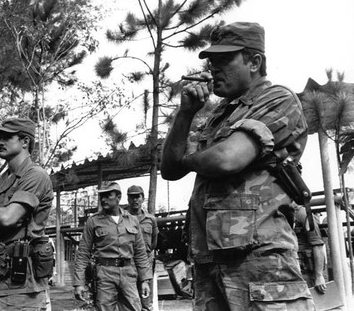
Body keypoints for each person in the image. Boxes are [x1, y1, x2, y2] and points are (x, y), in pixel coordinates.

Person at [160, 21, 315, 310]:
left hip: (261, 262)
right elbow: (169, 169)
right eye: (212, 61)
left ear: (255, 61)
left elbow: (227, 158)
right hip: (210, 262)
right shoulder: (218, 114)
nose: (213, 69)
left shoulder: (278, 98)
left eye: (224, 60)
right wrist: (185, 115)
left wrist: (190, 160)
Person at [0, 117, 54, 311]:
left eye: (7, 137)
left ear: (25, 141)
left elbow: (7, 218)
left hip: (20, 287)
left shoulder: (35, 175)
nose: (0, 142)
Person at [73, 181, 153, 311]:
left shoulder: (132, 220)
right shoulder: (93, 221)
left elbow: (140, 253)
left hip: (129, 273)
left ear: (118, 197)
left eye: (107, 195)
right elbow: (83, 254)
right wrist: (79, 283)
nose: (103, 199)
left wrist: (145, 280)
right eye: (101, 196)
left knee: (134, 308)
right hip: (104, 274)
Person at [126, 185, 158, 311]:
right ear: (128, 199)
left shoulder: (151, 219)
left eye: (137, 197)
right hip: (128, 263)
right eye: (132, 197)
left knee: (146, 300)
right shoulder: (122, 218)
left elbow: (154, 243)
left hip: (146, 264)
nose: (135, 200)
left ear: (143, 198)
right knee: (128, 300)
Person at [291, 204, 327, 294]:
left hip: (305, 271)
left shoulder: (301, 213)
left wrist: (319, 276)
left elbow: (317, 244)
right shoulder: (276, 212)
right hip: (289, 270)